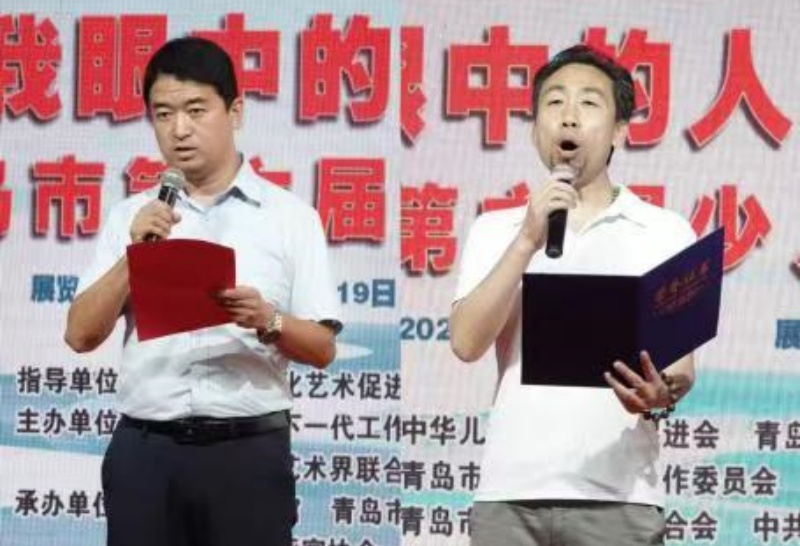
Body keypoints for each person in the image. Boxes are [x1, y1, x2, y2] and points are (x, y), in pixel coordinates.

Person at [64, 36, 341, 546]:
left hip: (246, 456)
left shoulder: (290, 218)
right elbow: (80, 335)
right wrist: (134, 257)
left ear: (235, 112)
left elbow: (323, 348)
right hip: (147, 454)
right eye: (163, 114)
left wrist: (268, 320)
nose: (179, 130)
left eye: (196, 110)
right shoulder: (132, 217)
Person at [449, 45, 696, 546]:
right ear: (535, 128)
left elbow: (681, 366)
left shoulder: (664, 231)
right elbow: (466, 343)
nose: (568, 116)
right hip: (510, 495)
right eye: (554, 102)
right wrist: (526, 240)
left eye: (588, 102)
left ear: (619, 131)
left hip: (620, 495)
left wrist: (659, 394)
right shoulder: (496, 230)